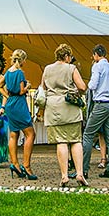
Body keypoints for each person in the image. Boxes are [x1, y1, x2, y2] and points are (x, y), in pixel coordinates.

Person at [41, 43, 88, 187]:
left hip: (53, 108)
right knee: (75, 140)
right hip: (70, 108)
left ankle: (64, 176)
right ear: (67, 56)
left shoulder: (47, 69)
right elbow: (82, 87)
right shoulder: (71, 68)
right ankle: (79, 173)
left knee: (61, 142)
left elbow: (43, 87)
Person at [82, 44, 109, 179]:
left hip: (100, 104)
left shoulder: (97, 66)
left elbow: (92, 85)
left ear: (96, 55)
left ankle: (83, 170)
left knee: (88, 134)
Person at [0, 49, 38, 180]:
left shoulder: (8, 72)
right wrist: (28, 86)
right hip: (19, 104)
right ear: (22, 60)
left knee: (13, 134)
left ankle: (14, 164)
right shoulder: (20, 73)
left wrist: (7, 96)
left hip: (10, 103)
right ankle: (26, 166)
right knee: (30, 134)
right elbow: (22, 91)